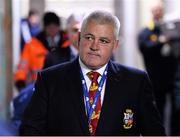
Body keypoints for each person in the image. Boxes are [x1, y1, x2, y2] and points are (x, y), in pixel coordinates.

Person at [19, 10, 166, 136]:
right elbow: (30, 131)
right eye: (89, 38)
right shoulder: (49, 80)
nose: (94, 46)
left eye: (103, 41)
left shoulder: (136, 82)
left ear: (115, 45)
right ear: (79, 38)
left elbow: (155, 133)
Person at [138, 2, 176, 123]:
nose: (158, 13)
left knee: (175, 109)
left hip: (172, 76)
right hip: (155, 78)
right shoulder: (146, 32)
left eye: (160, 10)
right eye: (156, 10)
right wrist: (161, 41)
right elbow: (144, 47)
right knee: (158, 108)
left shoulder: (170, 29)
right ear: (152, 12)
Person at [14, 12, 71, 91]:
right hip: (39, 88)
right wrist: (20, 81)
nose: (52, 30)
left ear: (59, 27)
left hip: (65, 88)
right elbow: (22, 66)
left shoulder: (69, 43)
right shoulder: (32, 45)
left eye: (55, 27)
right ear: (45, 28)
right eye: (49, 27)